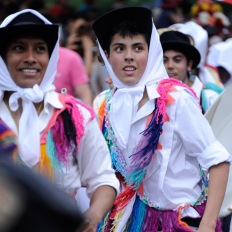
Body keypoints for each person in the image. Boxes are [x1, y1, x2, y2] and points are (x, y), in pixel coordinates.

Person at [92, 6, 231, 231]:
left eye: (138, 47)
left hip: (177, 222)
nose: (128, 55)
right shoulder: (102, 104)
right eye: (119, 48)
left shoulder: (175, 98)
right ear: (107, 56)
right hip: (121, 223)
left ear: (151, 52)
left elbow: (218, 161)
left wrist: (207, 224)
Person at [0, 9, 119, 231]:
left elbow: (103, 178)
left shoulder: (74, 116)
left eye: (39, 49)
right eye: (18, 48)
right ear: (3, 56)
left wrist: (92, 216)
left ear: (51, 56)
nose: (30, 58)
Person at [159, 30, 223, 113]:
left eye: (177, 60)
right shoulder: (151, 98)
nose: (170, 66)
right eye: (164, 60)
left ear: (189, 64)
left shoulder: (209, 98)